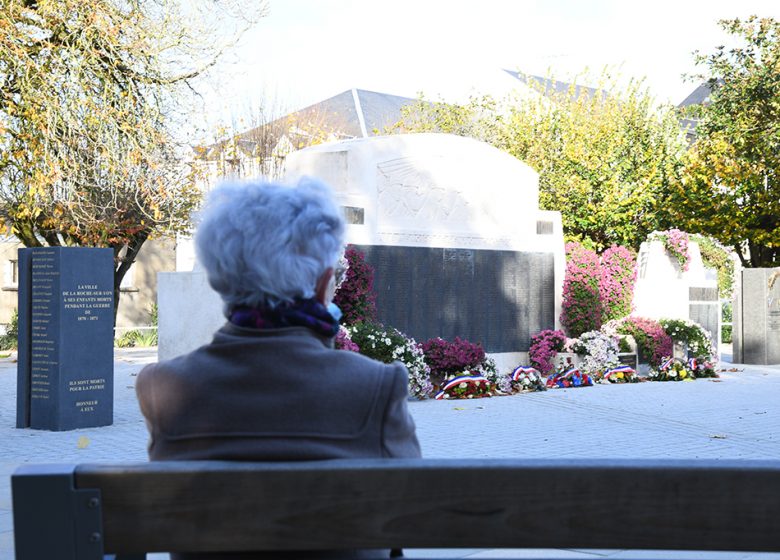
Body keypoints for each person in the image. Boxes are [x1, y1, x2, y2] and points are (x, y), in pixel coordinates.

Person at [136, 177, 421, 558]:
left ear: (223, 281)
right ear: (323, 285)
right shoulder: (376, 386)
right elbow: (405, 517)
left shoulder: (162, 388)